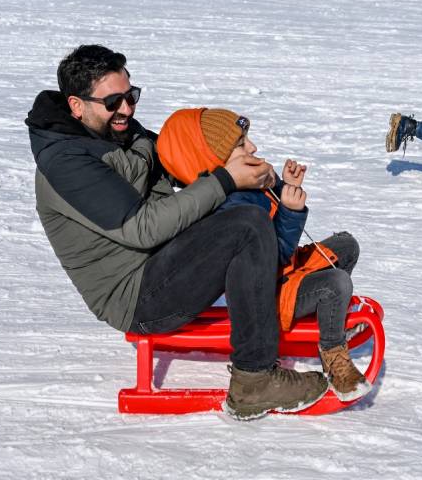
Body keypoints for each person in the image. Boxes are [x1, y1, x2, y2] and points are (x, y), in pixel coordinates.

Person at [25, 44, 328, 421]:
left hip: (164, 263)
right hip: (135, 296)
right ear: (76, 105)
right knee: (245, 227)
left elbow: (180, 162)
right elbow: (142, 228)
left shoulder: (119, 132)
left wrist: (241, 165)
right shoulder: (66, 164)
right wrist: (224, 178)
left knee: (242, 208)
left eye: (131, 96)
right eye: (114, 101)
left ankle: (277, 286)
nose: (127, 109)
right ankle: (254, 379)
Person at [156, 107, 372, 402]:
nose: (253, 147)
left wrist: (284, 187)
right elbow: (273, 258)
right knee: (337, 284)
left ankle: (326, 318)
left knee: (346, 246)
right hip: (266, 296)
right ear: (215, 160)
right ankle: (333, 354)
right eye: (241, 144)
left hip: (286, 276)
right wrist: (291, 212)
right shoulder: (227, 208)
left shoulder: (247, 185)